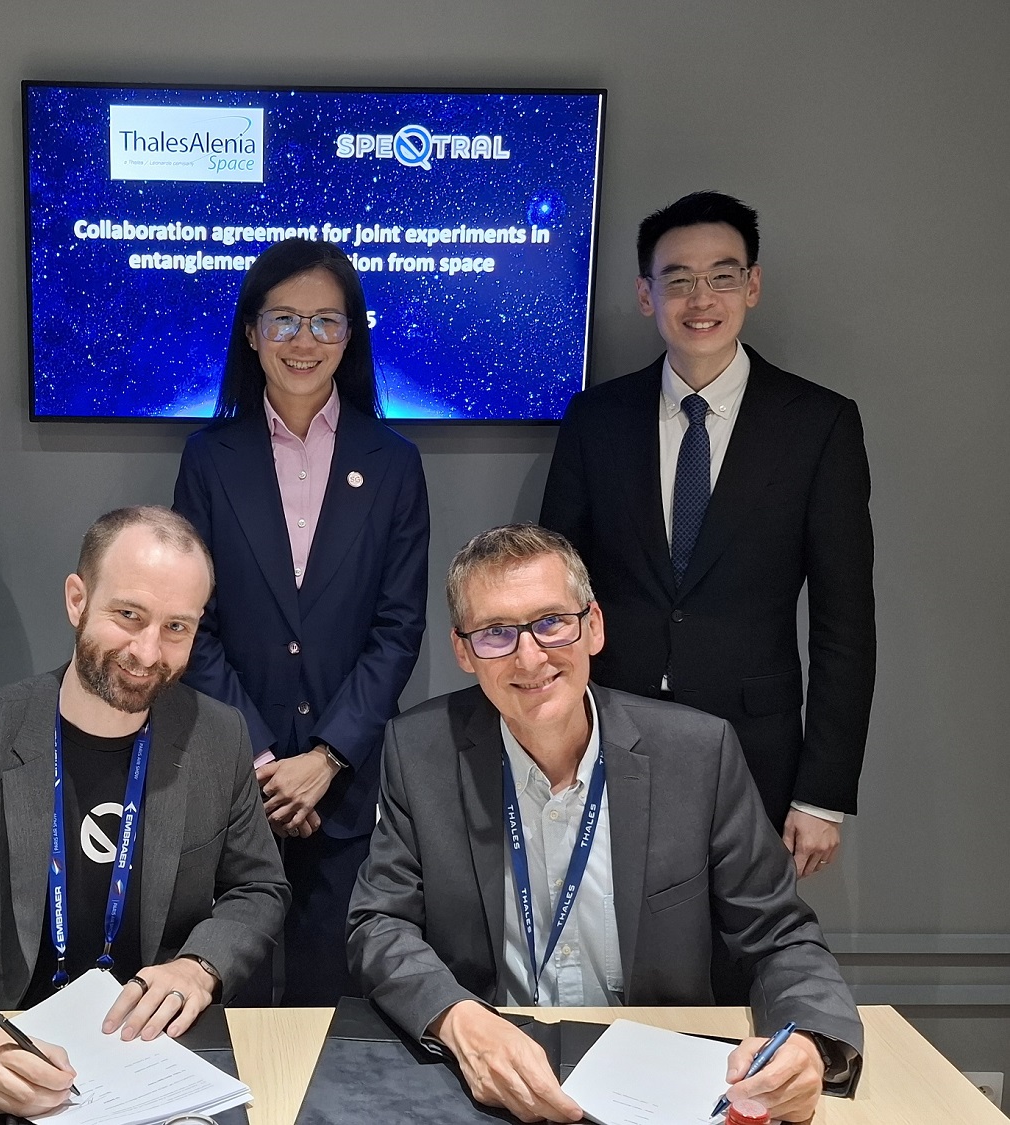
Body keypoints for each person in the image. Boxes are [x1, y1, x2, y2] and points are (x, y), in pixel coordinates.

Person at [347, 525, 863, 1124]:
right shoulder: (419, 752)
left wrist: (808, 1044)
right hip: (488, 1082)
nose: (530, 657)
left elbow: (780, 935)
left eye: (551, 622)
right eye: (495, 633)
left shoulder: (697, 753)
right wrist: (458, 1021)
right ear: (464, 652)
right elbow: (378, 923)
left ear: (593, 626)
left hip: (656, 1081)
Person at [0, 506, 289, 1118]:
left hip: (157, 1061)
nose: (147, 651)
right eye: (128, 616)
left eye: (176, 627)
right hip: (6, 1048)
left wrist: (198, 967)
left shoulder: (218, 738)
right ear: (77, 600)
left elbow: (259, 888)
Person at [540, 191, 875, 878]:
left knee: (735, 935)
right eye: (679, 280)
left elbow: (845, 624)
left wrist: (823, 792)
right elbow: (553, 590)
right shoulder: (596, 419)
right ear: (646, 294)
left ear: (752, 285)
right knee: (609, 929)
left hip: (755, 746)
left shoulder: (819, 424)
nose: (701, 299)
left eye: (722, 276)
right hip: (609, 731)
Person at [172, 238, 429, 1005]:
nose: (303, 339)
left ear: (351, 335)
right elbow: (193, 624)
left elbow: (398, 628)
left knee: (335, 1004)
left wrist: (326, 756)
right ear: (252, 333)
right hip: (234, 780)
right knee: (231, 997)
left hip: (347, 788)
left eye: (325, 321)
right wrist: (258, 758)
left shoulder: (394, 461)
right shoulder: (208, 457)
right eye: (283, 319)